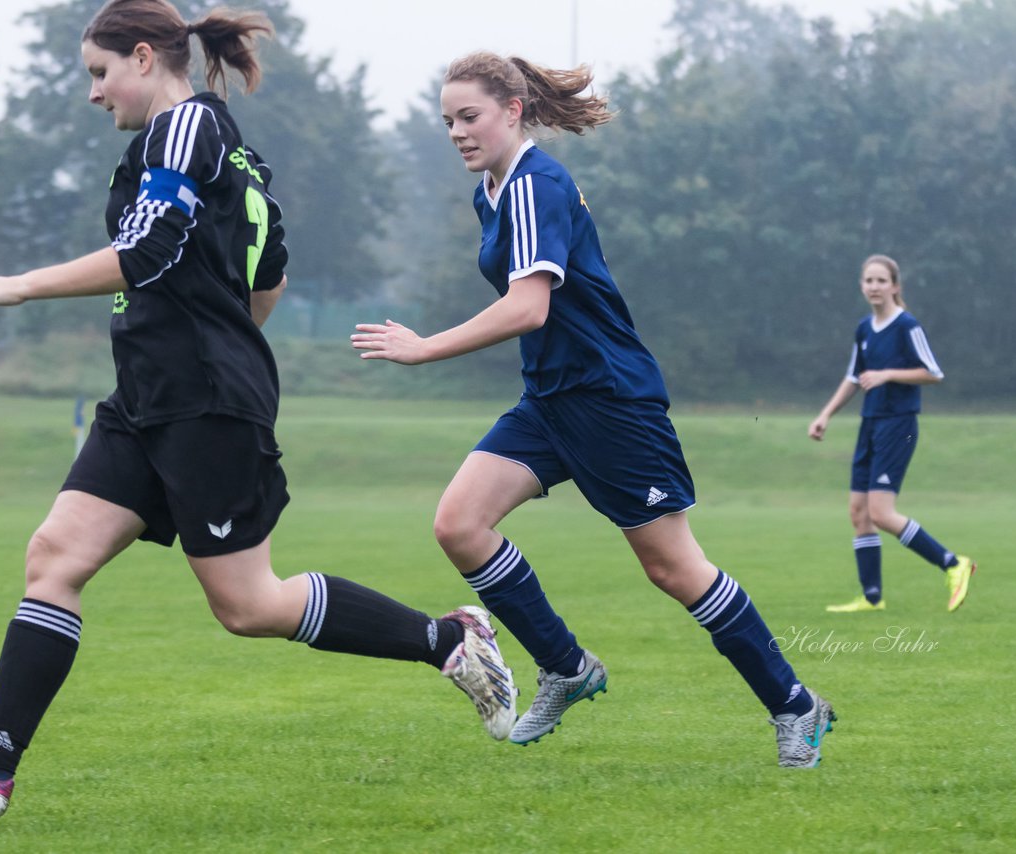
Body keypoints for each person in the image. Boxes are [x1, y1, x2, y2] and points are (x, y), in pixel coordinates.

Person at [0, 1, 516, 826]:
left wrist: (19, 284)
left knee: (248, 605)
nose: (93, 93)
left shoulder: (183, 129)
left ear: (143, 57)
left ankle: (450, 643)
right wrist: (204, 338)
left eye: (99, 72)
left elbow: (150, 249)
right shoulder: (230, 153)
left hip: (203, 402)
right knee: (55, 556)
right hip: (148, 397)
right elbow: (269, 279)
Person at [351, 51, 834, 768]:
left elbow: (528, 306)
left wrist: (424, 350)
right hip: (550, 398)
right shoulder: (493, 187)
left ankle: (797, 706)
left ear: (512, 110)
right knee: (459, 523)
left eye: (469, 116)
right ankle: (567, 667)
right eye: (447, 119)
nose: (456, 130)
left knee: (674, 569)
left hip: (611, 400)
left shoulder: (534, 185)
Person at [807, 254, 976, 613]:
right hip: (870, 423)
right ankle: (872, 599)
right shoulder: (864, 329)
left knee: (882, 513)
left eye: (881, 280)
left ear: (895, 286)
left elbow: (933, 372)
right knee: (858, 512)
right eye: (868, 280)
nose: (874, 287)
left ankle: (953, 563)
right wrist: (825, 415)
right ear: (862, 286)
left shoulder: (907, 326)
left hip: (899, 425)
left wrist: (887, 374)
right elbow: (854, 377)